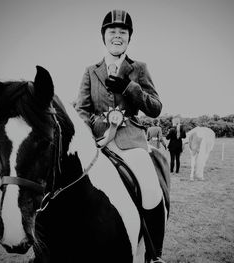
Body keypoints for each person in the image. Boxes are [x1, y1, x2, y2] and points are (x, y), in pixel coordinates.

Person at [75, 9, 165, 261]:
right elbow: (81, 109)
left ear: (129, 37)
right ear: (104, 36)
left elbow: (155, 107)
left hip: (130, 140)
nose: (117, 36)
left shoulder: (139, 68)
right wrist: (92, 130)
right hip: (97, 143)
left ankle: (154, 254)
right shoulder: (90, 71)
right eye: (112, 31)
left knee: (149, 185)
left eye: (122, 32)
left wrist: (129, 88)